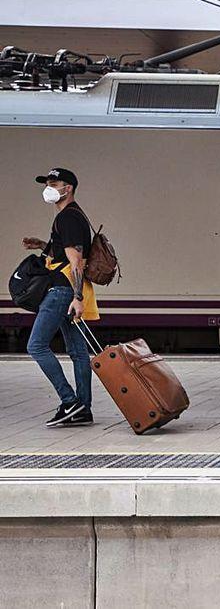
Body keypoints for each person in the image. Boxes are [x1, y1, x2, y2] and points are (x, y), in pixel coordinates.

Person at [21, 168, 99, 427]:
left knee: (36, 345)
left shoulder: (68, 217)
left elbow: (76, 261)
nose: (49, 187)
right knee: (78, 351)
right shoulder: (73, 216)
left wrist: (77, 298)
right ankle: (83, 409)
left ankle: (70, 401)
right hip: (69, 289)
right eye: (47, 183)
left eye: (55, 183)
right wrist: (42, 245)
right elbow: (65, 255)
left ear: (69, 188)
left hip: (62, 290)